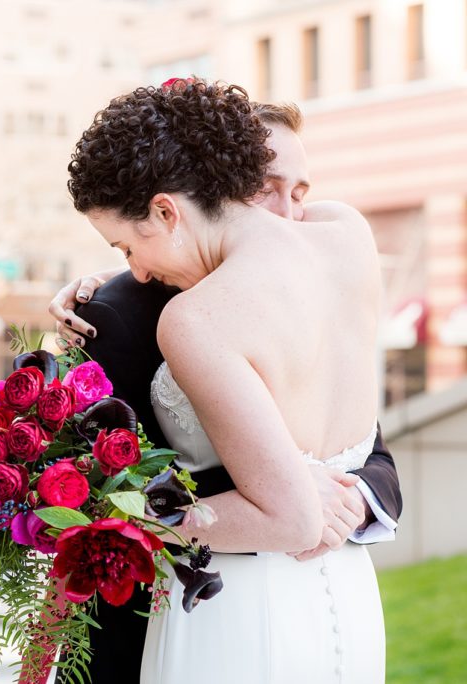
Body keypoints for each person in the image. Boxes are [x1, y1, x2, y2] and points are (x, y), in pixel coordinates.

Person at [50, 98, 400, 683]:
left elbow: (290, 519)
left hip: (236, 619)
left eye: (126, 248)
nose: (134, 271)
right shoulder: (347, 232)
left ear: (166, 210)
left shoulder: (195, 320)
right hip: (348, 602)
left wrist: (127, 524)